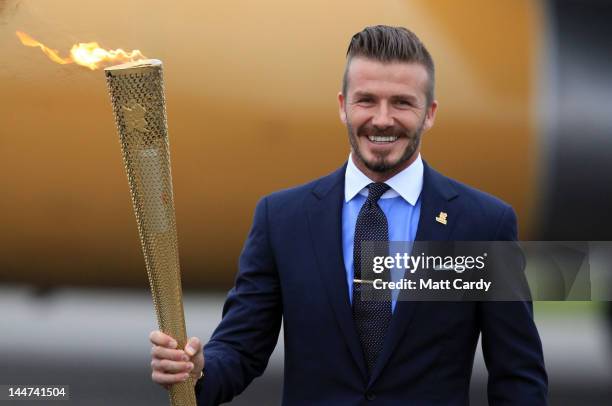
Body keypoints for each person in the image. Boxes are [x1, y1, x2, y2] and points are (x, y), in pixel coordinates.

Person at [149, 25, 548, 405]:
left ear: (430, 113)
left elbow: (518, 376)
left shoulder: (482, 226)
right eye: (367, 100)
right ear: (343, 106)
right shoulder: (283, 219)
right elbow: (240, 349)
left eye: (403, 103)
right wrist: (197, 371)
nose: (382, 119)